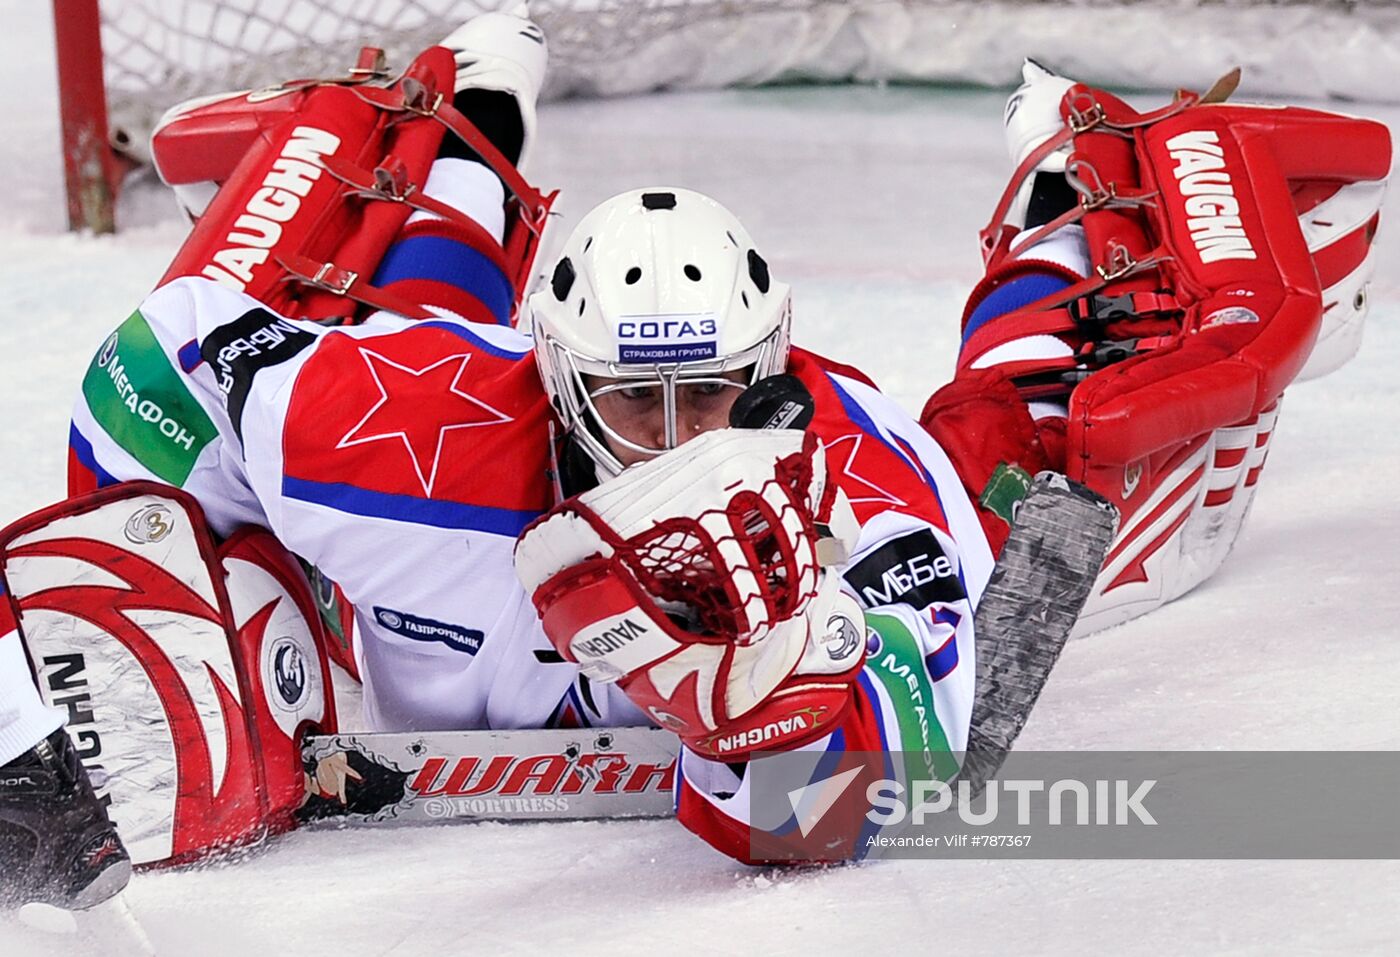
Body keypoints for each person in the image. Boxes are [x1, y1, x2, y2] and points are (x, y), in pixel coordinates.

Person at [1, 4, 1390, 890]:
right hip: (462, 396)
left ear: (773, 369)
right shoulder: (417, 420)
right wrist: (192, 572)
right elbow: (166, 356)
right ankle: (461, 110)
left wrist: (763, 740)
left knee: (1021, 443)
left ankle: (1065, 171)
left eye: (717, 393)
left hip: (881, 525)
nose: (679, 440)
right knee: (398, 333)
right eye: (634, 399)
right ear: (560, 379)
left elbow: (909, 769)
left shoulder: (862, 489)